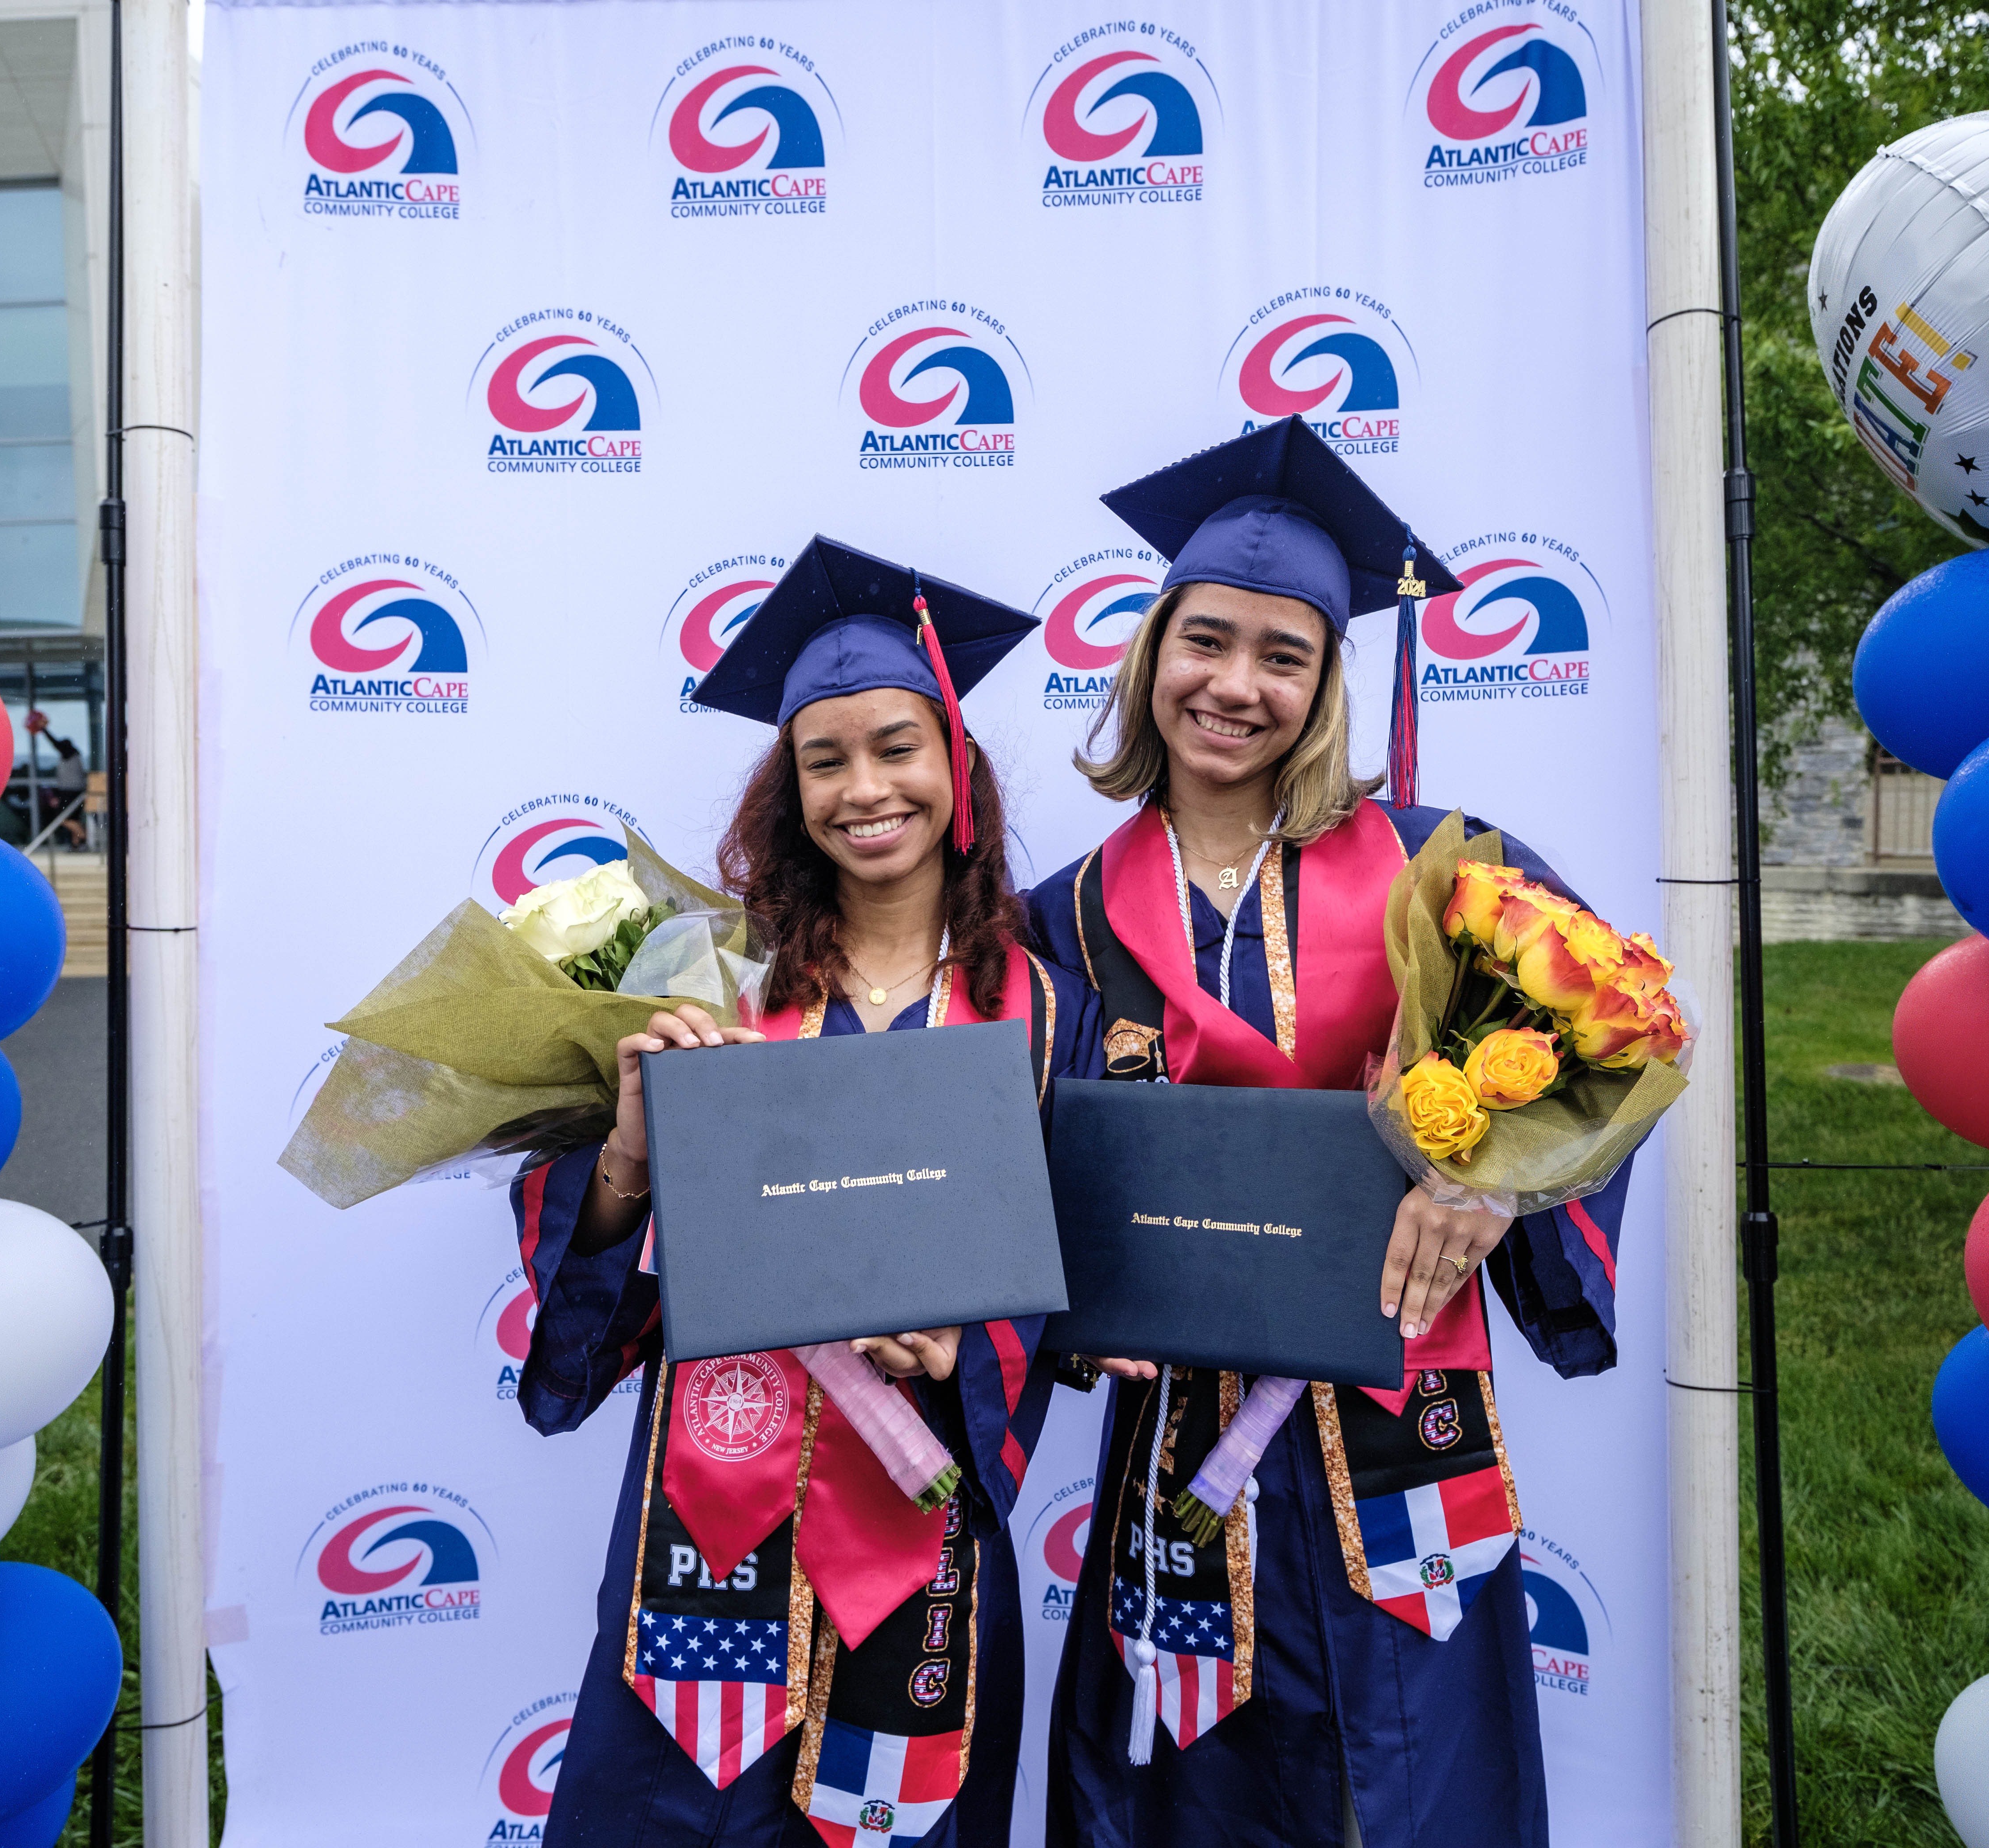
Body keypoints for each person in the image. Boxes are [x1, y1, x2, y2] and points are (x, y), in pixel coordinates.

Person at [1025, 418, 1632, 1848]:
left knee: (1415, 1789)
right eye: (1206, 642)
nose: (1236, 686)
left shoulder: (1445, 866)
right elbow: (1023, 1169)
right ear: (1149, 653)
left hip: (1399, 1426)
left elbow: (1605, 1049)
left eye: (1282, 655)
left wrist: (1499, 1186)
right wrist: (1063, 1305)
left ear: (1327, 682)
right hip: (1180, 1440)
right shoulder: (1059, 916)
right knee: (1191, 1795)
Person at [510, 536, 1103, 1847]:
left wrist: (973, 1339)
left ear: (958, 767)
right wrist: (627, 1156)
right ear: (789, 792)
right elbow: (589, 1294)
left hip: (922, 1509)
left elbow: (1089, 1269)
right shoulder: (713, 981)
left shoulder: (1049, 1007)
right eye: (823, 761)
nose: (864, 788)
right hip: (713, 1496)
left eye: (897, 746)